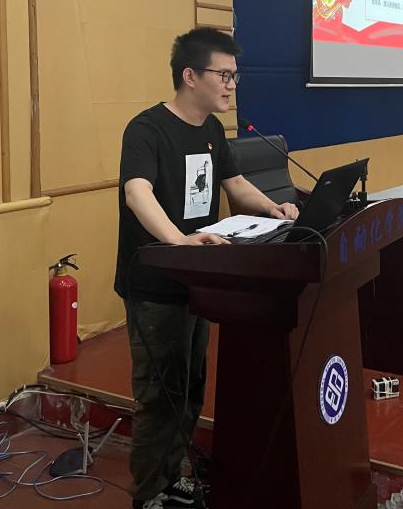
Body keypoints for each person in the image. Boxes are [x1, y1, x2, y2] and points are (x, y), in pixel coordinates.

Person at [114, 27, 298, 509]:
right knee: (159, 391)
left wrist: (274, 208)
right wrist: (178, 241)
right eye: (224, 74)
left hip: (200, 278)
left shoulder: (213, 130)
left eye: (235, 75)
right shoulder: (147, 129)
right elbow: (137, 193)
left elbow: (235, 184)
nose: (232, 85)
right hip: (155, 280)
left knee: (191, 385)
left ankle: (172, 475)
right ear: (190, 76)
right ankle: (148, 494)